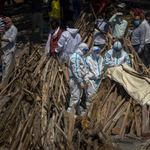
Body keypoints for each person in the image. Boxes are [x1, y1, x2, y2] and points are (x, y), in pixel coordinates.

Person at [67, 43, 89, 116]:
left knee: (79, 95)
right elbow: (76, 70)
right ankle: (71, 111)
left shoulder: (79, 57)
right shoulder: (75, 58)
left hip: (78, 79)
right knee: (75, 95)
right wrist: (80, 81)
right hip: (75, 79)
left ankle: (76, 109)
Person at [0, 12, 18, 80]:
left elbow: (12, 39)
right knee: (4, 68)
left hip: (9, 52)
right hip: (4, 51)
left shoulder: (13, 29)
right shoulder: (4, 29)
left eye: (5, 23)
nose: (4, 25)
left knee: (7, 70)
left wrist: (1, 39)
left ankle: (4, 86)